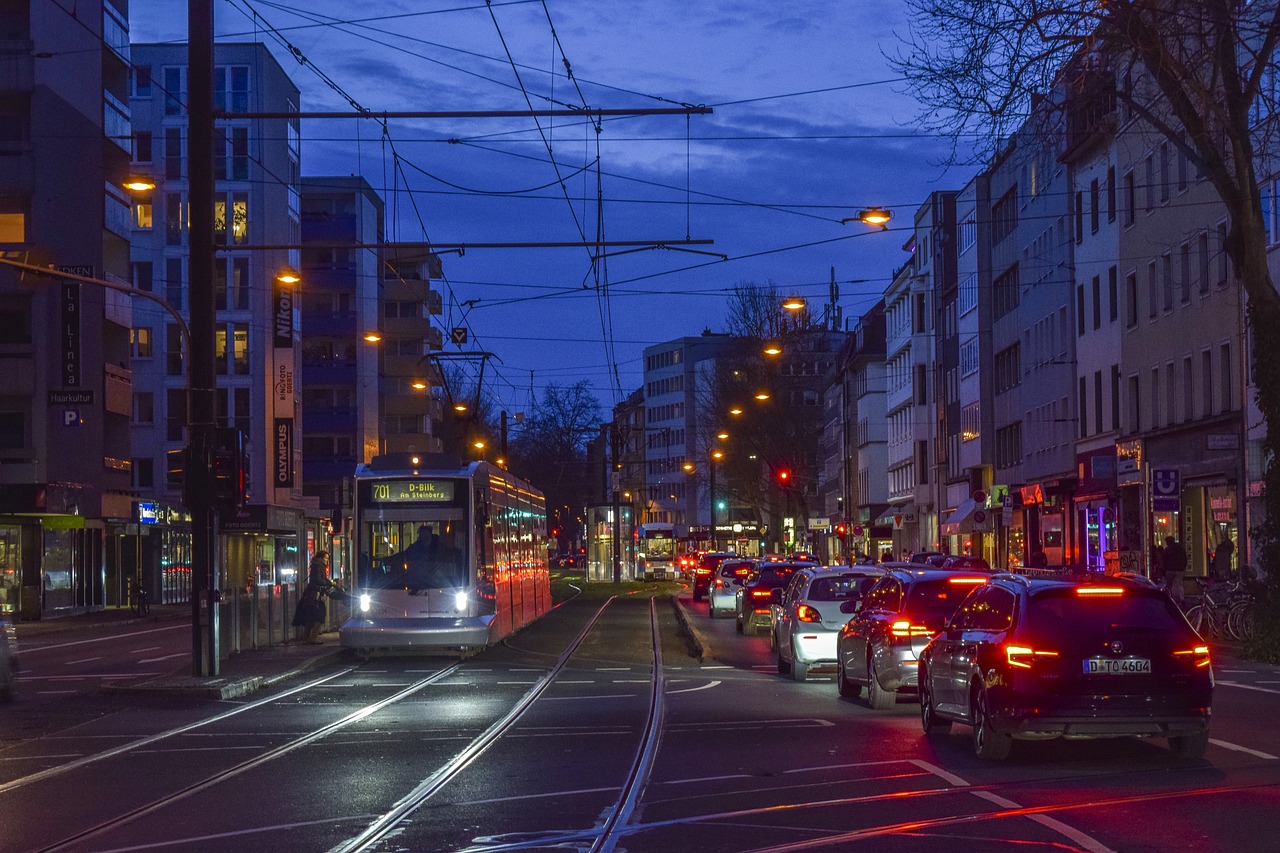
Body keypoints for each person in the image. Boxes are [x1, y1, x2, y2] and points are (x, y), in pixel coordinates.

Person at [292, 551, 338, 644]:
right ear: (320, 558)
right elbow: (318, 580)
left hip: (312, 595)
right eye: (325, 558)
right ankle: (312, 638)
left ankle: (307, 638)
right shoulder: (318, 566)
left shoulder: (316, 566)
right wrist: (330, 583)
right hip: (314, 595)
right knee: (320, 615)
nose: (327, 560)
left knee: (311, 616)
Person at [1163, 536, 1188, 606]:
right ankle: (1181, 598)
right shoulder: (1181, 548)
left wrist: (1165, 569)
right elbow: (1185, 559)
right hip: (1180, 569)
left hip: (1170, 570)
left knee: (1170, 585)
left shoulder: (1167, 549)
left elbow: (1164, 560)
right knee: (1179, 584)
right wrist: (1183, 567)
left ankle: (1173, 598)